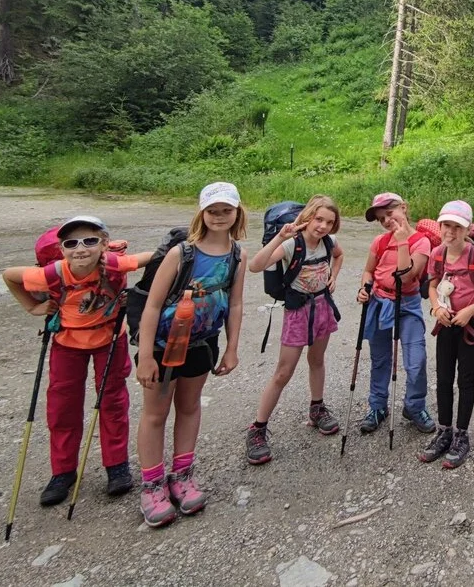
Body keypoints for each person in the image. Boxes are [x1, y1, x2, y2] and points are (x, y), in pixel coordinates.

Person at [2, 216, 153, 506]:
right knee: (62, 407)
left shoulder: (114, 264)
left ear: (105, 244)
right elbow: (10, 275)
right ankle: (63, 472)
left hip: (109, 339)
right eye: (71, 243)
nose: (80, 249)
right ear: (61, 249)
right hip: (66, 342)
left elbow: (150, 258)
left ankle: (117, 466)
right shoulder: (52, 273)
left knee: (112, 402)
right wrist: (33, 307)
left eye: (90, 241)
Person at [134, 181, 247, 527]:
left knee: (189, 406)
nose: (219, 216)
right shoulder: (181, 253)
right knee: (155, 413)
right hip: (163, 347)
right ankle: (152, 485)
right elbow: (152, 305)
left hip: (202, 343)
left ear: (237, 213)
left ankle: (182, 475)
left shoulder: (237, 255)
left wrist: (231, 348)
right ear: (201, 212)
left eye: (226, 210)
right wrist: (145, 357)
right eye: (212, 211)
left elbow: (237, 304)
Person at [245, 195, 344, 465]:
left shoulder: (329, 242)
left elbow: (339, 255)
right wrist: (279, 238)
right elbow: (256, 266)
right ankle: (258, 428)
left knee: (317, 360)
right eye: (319, 219)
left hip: (323, 306)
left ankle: (316, 408)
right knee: (283, 372)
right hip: (298, 312)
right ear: (308, 217)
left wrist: (334, 275)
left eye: (329, 222)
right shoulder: (291, 245)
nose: (323, 226)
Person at [421, 201, 474, 468]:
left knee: (465, 379)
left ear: (467, 229)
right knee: (443, 378)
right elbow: (432, 285)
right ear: (440, 225)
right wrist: (435, 307)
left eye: (457, 227)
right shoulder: (437, 254)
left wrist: (469, 311)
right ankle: (444, 431)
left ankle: (462, 434)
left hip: (470, 325)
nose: (450, 232)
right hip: (445, 323)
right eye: (446, 226)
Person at [355, 193, 436, 435]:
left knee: (416, 360)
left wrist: (401, 241)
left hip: (407, 303)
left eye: (390, 214)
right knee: (380, 360)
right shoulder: (379, 242)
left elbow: (407, 276)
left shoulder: (421, 242)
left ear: (404, 208)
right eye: (382, 218)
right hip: (379, 301)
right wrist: (364, 288)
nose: (387, 221)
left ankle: (414, 406)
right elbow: (369, 271)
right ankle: (378, 406)